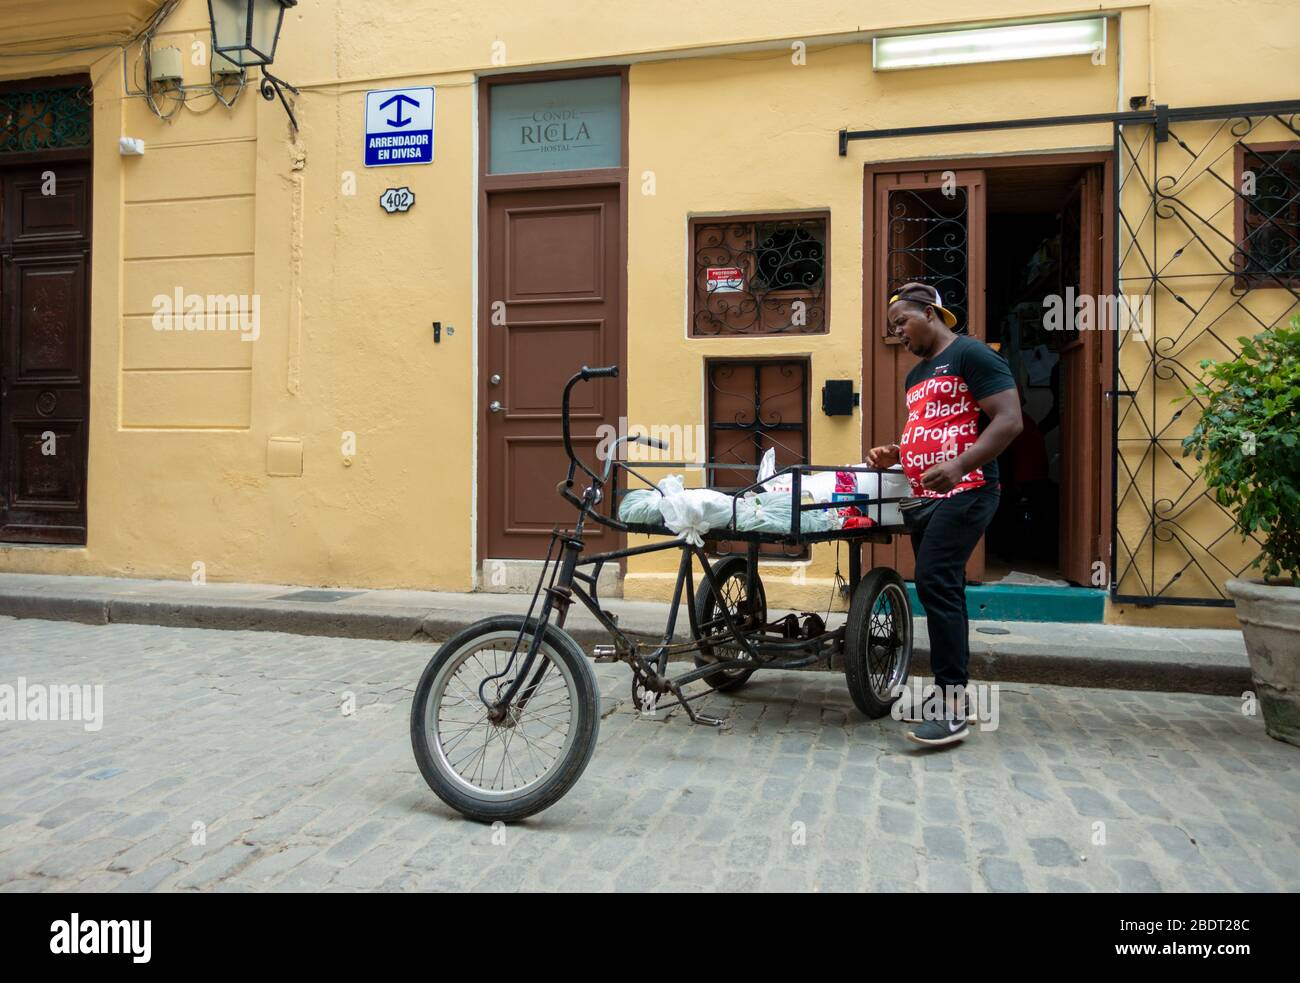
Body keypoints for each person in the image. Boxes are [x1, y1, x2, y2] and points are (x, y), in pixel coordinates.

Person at [867, 283, 1022, 747]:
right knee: (942, 585)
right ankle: (951, 693)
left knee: (935, 579)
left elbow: (1009, 419)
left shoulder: (974, 355)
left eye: (902, 323)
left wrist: (958, 466)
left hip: (970, 489)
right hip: (926, 496)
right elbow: (934, 428)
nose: (898, 334)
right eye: (892, 328)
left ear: (931, 314)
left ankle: (952, 704)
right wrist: (897, 453)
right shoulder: (914, 377)